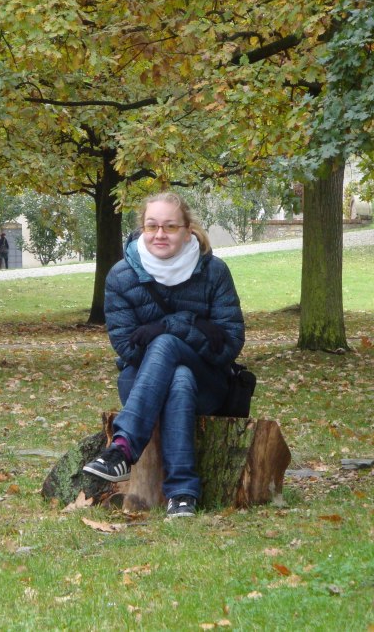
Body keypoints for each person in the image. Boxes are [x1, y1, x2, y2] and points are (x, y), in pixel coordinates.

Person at [82, 192, 245, 518]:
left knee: (168, 347)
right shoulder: (121, 276)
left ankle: (122, 450)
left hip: (208, 384)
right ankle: (182, 495)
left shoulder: (213, 272)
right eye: (152, 226)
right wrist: (194, 324)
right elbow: (128, 348)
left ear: (187, 230)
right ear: (142, 228)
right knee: (178, 376)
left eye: (170, 226)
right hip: (141, 383)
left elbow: (228, 344)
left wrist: (169, 325)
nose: (160, 234)